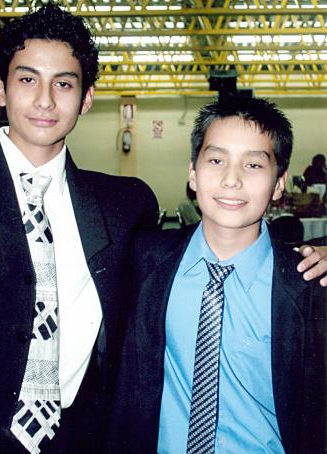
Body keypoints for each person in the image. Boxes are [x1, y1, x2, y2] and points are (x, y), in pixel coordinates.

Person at [0, 3, 158, 454]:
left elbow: (190, 252)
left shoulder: (123, 207)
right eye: (27, 80)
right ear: (0, 89)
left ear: (86, 98)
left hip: (77, 441)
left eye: (63, 83)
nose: (45, 100)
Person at [109, 96, 326, 453]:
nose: (231, 179)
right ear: (193, 173)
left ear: (278, 184)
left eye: (254, 165)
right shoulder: (142, 260)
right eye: (216, 160)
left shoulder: (309, 284)